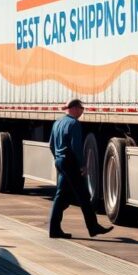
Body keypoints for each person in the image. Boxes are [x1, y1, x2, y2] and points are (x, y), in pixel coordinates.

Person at [48, 99, 112, 239]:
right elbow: (76, 147)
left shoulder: (57, 123)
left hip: (60, 161)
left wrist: (57, 158)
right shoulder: (74, 124)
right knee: (83, 196)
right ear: (75, 108)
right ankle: (93, 227)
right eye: (81, 108)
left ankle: (54, 229)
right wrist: (82, 165)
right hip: (70, 163)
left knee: (60, 196)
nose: (82, 111)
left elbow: (51, 144)